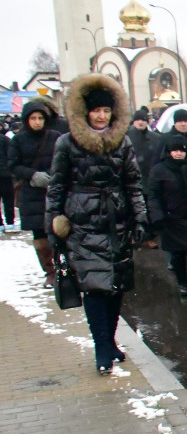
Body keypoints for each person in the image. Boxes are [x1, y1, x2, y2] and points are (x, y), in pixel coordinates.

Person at [45, 73, 147, 374]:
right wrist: (54, 223)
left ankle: (111, 339)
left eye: (106, 111)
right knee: (94, 286)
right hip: (82, 223)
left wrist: (140, 216)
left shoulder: (122, 141)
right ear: (85, 112)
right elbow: (56, 185)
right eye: (96, 111)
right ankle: (101, 346)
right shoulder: (67, 142)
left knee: (116, 286)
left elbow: (133, 183)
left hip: (117, 223)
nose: (101, 116)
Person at [147, 136, 187, 297]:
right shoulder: (159, 170)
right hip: (172, 219)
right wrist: (157, 217)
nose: (178, 154)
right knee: (178, 254)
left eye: (181, 151)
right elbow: (153, 195)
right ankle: (182, 283)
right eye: (175, 150)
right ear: (168, 152)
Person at [9, 101, 61, 286]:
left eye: (40, 118)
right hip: (32, 193)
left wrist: (53, 175)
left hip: (55, 190)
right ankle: (50, 271)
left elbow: (64, 158)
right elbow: (13, 165)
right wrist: (32, 175)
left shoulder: (55, 137)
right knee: (40, 235)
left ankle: (63, 267)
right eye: (33, 118)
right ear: (26, 120)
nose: (37, 122)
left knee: (58, 230)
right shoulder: (19, 140)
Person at [0, 133, 13, 232]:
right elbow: (12, 155)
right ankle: (10, 223)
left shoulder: (5, 139)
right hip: (6, 175)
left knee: (8, 199)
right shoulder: (5, 139)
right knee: (8, 199)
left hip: (5, 174)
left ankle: (1, 224)